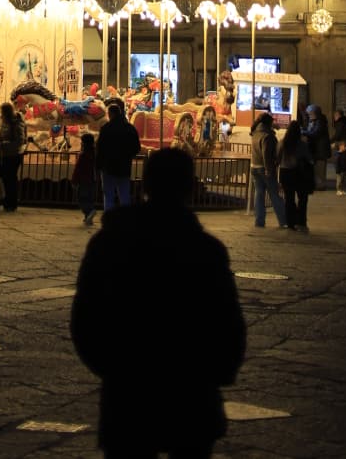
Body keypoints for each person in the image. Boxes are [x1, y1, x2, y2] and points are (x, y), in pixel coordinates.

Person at [71, 149, 246, 459]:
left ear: (145, 185)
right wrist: (215, 374)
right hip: (191, 393)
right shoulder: (206, 250)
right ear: (191, 186)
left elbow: (85, 319)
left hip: (128, 393)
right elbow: (228, 323)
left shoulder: (109, 242)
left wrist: (113, 368)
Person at [96, 100, 141, 212]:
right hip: (124, 166)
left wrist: (98, 165)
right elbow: (136, 147)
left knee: (108, 195)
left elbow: (100, 148)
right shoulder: (130, 128)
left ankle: (109, 219)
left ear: (110, 114)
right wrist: (127, 155)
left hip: (108, 167)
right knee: (124, 194)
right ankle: (125, 219)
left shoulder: (106, 129)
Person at [249, 112, 287, 228]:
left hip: (254, 167)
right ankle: (283, 221)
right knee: (274, 195)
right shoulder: (267, 136)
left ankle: (259, 221)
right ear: (268, 123)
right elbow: (266, 153)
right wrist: (268, 169)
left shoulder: (255, 133)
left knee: (259, 194)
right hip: (265, 168)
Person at [278, 119, 313, 232]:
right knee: (302, 198)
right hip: (299, 173)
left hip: (285, 172)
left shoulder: (282, 142)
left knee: (289, 198)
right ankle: (301, 221)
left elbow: (277, 157)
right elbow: (309, 159)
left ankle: (290, 222)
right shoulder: (302, 144)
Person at [0, 100, 25, 211]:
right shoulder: (1, 120)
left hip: (12, 156)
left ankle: (10, 202)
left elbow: (19, 141)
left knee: (9, 179)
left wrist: (4, 144)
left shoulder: (16, 123)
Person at [72, 132, 99, 226]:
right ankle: (88, 217)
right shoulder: (95, 154)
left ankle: (90, 211)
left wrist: (74, 181)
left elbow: (78, 169)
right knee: (90, 198)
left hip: (84, 180)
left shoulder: (83, 155)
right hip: (93, 180)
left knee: (82, 198)